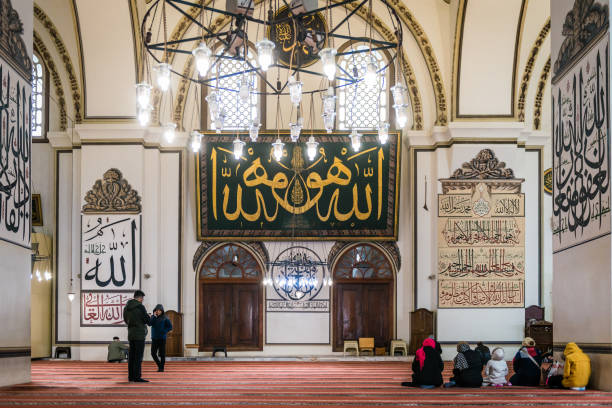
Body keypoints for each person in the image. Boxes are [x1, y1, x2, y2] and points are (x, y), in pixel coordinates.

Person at [123, 290, 151, 383]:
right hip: (139, 335)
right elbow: (147, 321)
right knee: (138, 357)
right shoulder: (140, 307)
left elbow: (126, 320)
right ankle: (137, 377)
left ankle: (131, 377)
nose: (142, 300)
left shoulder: (126, 307)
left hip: (131, 334)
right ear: (140, 298)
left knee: (131, 357)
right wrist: (149, 317)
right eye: (142, 298)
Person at [150, 304, 173, 372]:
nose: (158, 311)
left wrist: (164, 331)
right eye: (157, 310)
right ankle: (160, 365)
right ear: (155, 311)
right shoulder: (153, 317)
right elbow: (150, 324)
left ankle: (161, 368)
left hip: (162, 338)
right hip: (154, 338)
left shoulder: (165, 318)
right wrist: (153, 316)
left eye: (160, 310)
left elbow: (170, 327)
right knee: (153, 353)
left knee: (162, 354)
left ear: (162, 311)